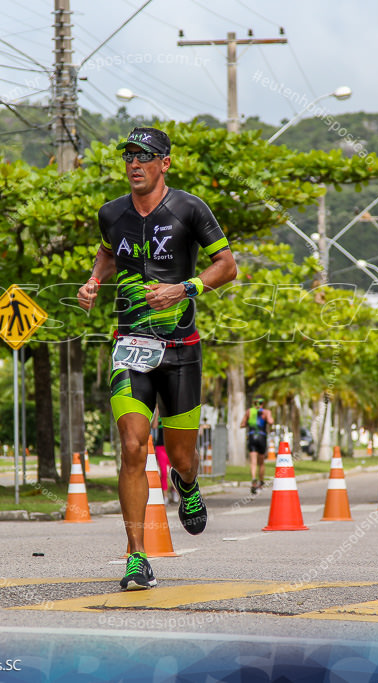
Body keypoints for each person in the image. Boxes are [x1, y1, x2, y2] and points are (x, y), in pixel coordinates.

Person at [77, 126, 238, 591]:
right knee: (132, 445)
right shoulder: (111, 213)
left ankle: (185, 483)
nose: (134, 163)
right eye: (128, 155)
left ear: (164, 163)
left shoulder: (189, 208)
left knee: (183, 456)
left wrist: (183, 289)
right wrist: (93, 282)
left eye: (144, 156)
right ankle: (135, 556)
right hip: (130, 345)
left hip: (181, 350)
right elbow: (107, 253)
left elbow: (226, 266)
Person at [240, 397, 273, 494]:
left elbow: (242, 424)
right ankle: (261, 482)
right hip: (262, 438)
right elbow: (271, 422)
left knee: (253, 462)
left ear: (254, 403)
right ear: (263, 403)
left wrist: (249, 423)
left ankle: (254, 479)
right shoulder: (266, 412)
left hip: (251, 437)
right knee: (261, 462)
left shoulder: (249, 412)